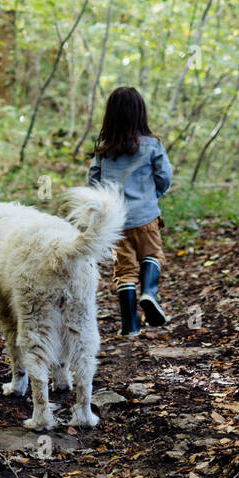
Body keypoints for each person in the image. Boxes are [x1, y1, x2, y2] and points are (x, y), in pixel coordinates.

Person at [87, 86, 173, 338]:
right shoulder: (153, 145)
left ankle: (130, 326)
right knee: (152, 254)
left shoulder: (104, 149)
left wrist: (99, 212)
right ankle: (149, 291)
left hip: (116, 222)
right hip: (146, 217)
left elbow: (94, 182)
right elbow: (164, 176)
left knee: (124, 270)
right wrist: (154, 194)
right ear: (140, 114)